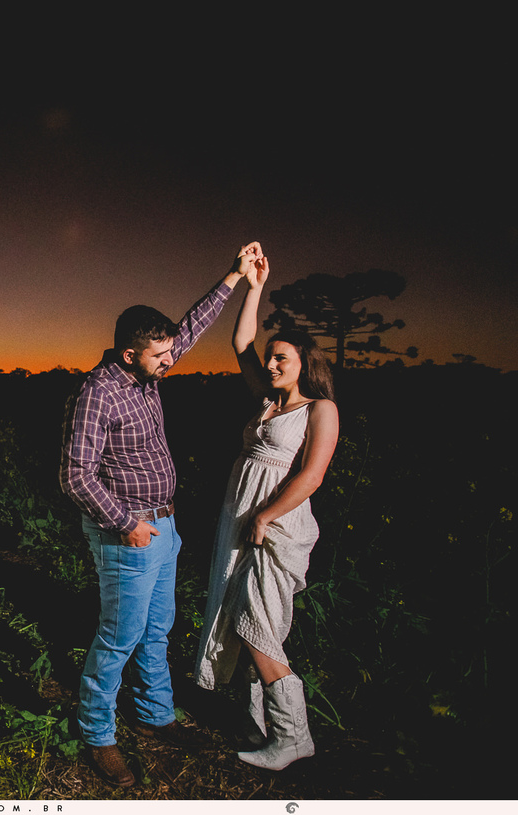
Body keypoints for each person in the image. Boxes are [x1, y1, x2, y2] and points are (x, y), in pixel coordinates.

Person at [60, 243, 258, 786]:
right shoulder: (98, 394)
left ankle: (155, 714)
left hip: (165, 526)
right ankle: (97, 732)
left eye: (171, 352)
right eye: (161, 355)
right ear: (129, 354)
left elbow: (191, 327)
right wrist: (128, 524)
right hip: (128, 532)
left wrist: (234, 276)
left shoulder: (149, 371)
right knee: (119, 636)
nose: (172, 360)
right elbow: (75, 476)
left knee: (157, 628)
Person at [193, 248, 339, 771]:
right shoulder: (268, 400)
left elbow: (312, 475)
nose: (272, 364)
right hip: (242, 514)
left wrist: (265, 516)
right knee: (240, 612)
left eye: (283, 359)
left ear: (305, 364)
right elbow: (240, 343)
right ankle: (262, 723)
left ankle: (294, 737)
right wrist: (254, 286)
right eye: (271, 357)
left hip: (275, 522)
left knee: (256, 620)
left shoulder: (319, 409)